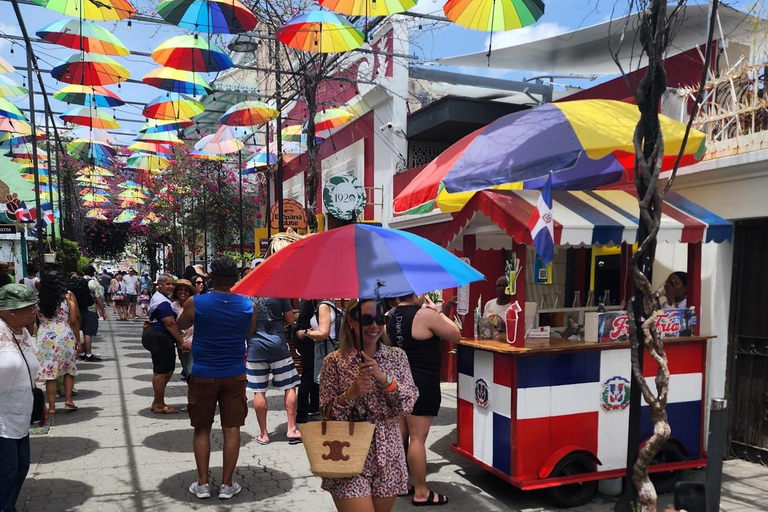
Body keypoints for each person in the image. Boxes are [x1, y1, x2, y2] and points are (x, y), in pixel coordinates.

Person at [319, 299, 418, 512]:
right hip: (347, 450)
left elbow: (408, 404)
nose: (374, 326)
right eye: (366, 319)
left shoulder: (397, 357)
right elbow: (326, 413)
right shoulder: (334, 362)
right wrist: (350, 394)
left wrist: (384, 379)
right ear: (351, 322)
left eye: (380, 319)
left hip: (388, 451)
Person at [177, 256, 256, 500]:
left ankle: (202, 484)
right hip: (234, 374)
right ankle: (227, 485)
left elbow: (181, 323)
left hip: (203, 374)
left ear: (211, 277)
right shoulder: (247, 305)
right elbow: (249, 333)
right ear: (236, 279)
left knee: (201, 429)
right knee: (232, 429)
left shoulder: (195, 302)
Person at [386, 293, 460, 506]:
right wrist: (438, 312)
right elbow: (456, 334)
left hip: (398, 383)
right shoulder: (425, 315)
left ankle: (399, 483)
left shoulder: (390, 315)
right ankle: (420, 491)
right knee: (417, 438)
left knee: (402, 435)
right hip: (422, 383)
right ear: (416, 293)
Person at [0, 284, 45, 512]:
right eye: (28, 308)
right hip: (1, 416)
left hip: (20, 412)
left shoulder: (24, 333)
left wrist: (39, 400)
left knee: (20, 467)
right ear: (9, 311)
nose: (33, 312)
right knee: (6, 471)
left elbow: (29, 368)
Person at [247, 296, 301, 445]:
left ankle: (264, 434)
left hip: (255, 348)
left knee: (259, 391)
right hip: (278, 346)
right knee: (289, 386)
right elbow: (291, 320)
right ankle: (291, 428)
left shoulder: (246, 297)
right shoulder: (278, 294)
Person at [36, 271, 81, 414]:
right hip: (64, 334)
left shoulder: (39, 299)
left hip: (45, 335)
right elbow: (74, 320)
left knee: (50, 372)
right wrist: (77, 340)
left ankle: (52, 407)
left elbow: (34, 318)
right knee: (69, 368)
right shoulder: (67, 297)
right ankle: (68, 399)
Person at [142, 274, 187, 414]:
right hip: (159, 337)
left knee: (166, 370)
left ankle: (157, 401)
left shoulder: (162, 298)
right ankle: (159, 405)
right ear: (159, 285)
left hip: (158, 336)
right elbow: (170, 323)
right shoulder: (162, 301)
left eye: (172, 284)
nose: (171, 287)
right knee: (162, 372)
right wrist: (181, 341)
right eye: (167, 284)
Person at [292, 299, 319, 424]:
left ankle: (313, 406)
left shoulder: (307, 299)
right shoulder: (310, 299)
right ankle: (302, 412)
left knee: (312, 373)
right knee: (309, 375)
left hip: (307, 338)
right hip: (308, 339)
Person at [71, 266, 105, 362]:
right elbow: (98, 298)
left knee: (80, 330)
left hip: (78, 309)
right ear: (93, 273)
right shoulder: (94, 283)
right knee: (88, 332)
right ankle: (89, 354)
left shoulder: (77, 281)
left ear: (83, 272)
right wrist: (102, 311)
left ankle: (81, 353)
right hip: (90, 309)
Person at [170, 279, 195, 381]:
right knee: (186, 370)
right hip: (181, 344)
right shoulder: (173, 306)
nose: (183, 292)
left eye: (186, 290)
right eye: (180, 289)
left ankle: (195, 395)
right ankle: (193, 394)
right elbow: (172, 325)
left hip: (194, 343)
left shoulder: (194, 305)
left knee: (191, 371)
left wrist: (191, 342)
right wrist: (181, 342)